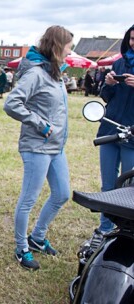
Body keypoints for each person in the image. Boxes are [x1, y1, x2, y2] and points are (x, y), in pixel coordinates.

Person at [3, 25, 73, 271]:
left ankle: (37, 238)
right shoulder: (35, 73)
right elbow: (11, 104)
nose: (70, 51)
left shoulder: (55, 72)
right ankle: (21, 248)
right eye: (68, 46)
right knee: (28, 200)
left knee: (62, 193)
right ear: (57, 46)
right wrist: (40, 124)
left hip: (56, 147)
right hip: (37, 146)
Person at [91, 24, 134, 243]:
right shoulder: (119, 62)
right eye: (132, 39)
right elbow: (107, 97)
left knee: (129, 188)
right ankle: (104, 229)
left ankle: (125, 233)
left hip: (132, 135)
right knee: (108, 185)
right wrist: (107, 84)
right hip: (110, 128)